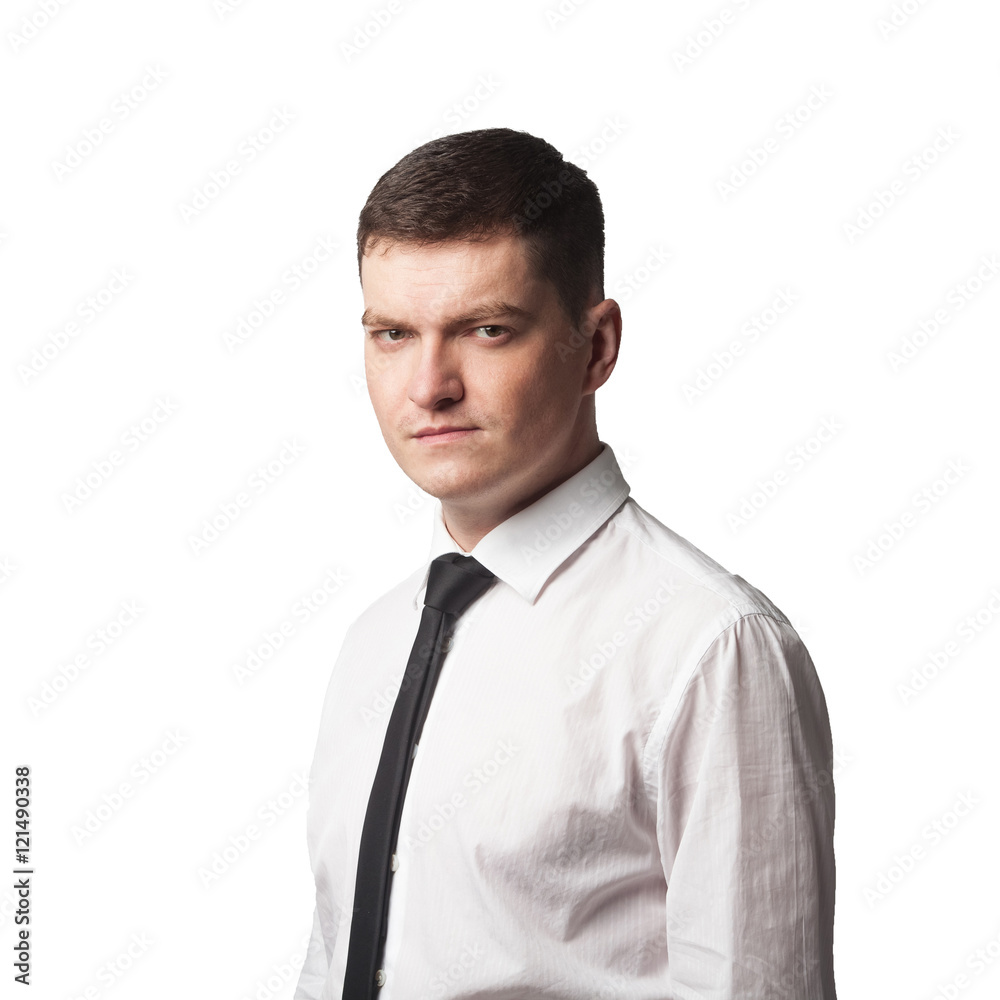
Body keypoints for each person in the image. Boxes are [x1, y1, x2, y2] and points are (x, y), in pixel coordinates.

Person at [294, 127, 837, 999]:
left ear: (596, 346)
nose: (429, 385)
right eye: (393, 333)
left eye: (486, 330)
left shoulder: (708, 647)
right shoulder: (375, 640)